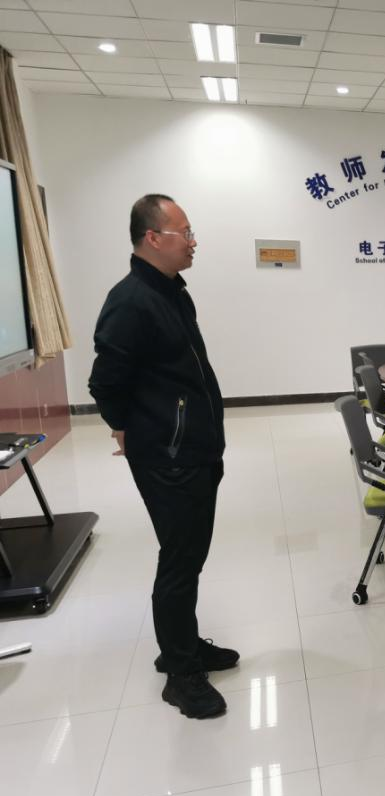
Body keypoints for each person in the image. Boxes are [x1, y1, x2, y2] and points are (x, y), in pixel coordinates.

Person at [89, 194, 236, 720]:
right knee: (179, 558)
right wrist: (128, 429)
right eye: (185, 232)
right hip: (169, 456)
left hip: (192, 447)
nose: (193, 242)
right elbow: (105, 383)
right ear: (152, 238)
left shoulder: (170, 291)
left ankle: (184, 645)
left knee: (189, 554)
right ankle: (180, 673)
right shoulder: (131, 301)